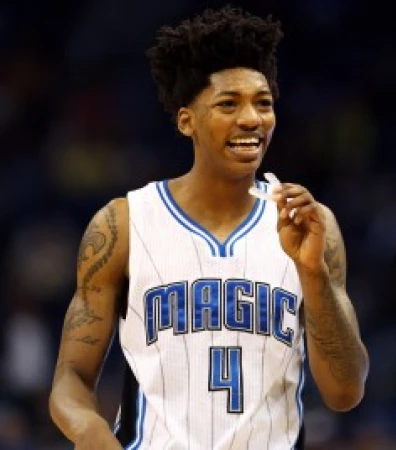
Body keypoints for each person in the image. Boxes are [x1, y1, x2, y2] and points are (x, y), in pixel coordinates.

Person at [48, 5, 369, 449]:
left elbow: (345, 392)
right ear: (187, 121)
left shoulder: (310, 224)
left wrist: (312, 272)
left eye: (263, 103)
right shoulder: (124, 223)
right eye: (228, 104)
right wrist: (89, 429)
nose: (251, 119)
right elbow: (71, 377)